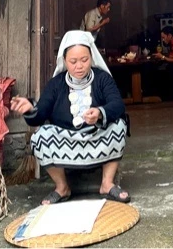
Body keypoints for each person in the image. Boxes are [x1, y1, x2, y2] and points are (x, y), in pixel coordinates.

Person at [10, 30, 131, 204]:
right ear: (64, 61)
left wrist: (99, 113)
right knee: (41, 136)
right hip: (66, 139)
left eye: (84, 60)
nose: (79, 66)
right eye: (73, 61)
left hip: (97, 136)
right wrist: (30, 109)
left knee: (119, 125)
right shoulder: (56, 84)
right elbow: (41, 114)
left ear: (92, 57)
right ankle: (62, 187)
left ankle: (107, 183)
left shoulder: (102, 79)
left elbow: (117, 105)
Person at [153, 26, 173, 99]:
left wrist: (162, 57)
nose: (163, 40)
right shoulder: (172, 43)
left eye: (164, 37)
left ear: (170, 36)